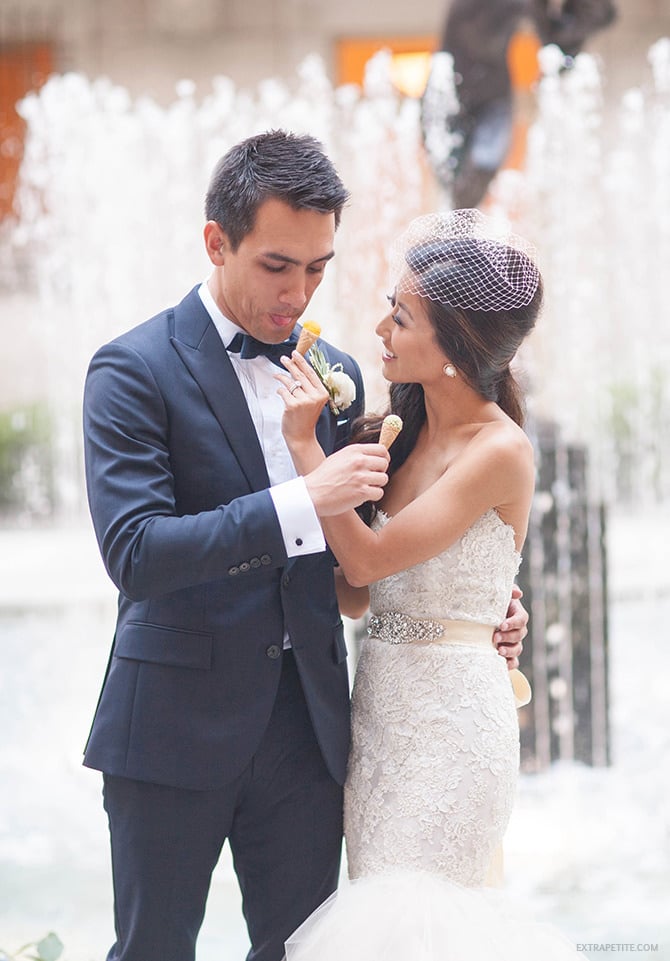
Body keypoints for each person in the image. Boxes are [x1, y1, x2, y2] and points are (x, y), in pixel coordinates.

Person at [82, 131, 528, 961]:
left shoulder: (340, 372)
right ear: (218, 241)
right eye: (278, 265)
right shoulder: (131, 369)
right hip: (173, 728)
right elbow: (136, 552)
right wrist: (300, 499)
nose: (301, 290)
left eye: (319, 267)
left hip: (315, 734)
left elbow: (390, 541)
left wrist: (485, 604)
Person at [276, 209, 577, 959]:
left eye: (400, 317)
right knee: (379, 920)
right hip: (380, 715)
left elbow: (371, 558)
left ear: (452, 348)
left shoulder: (499, 450)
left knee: (423, 921)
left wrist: (305, 449)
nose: (382, 329)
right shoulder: (395, 432)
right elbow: (357, 591)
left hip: (453, 730)